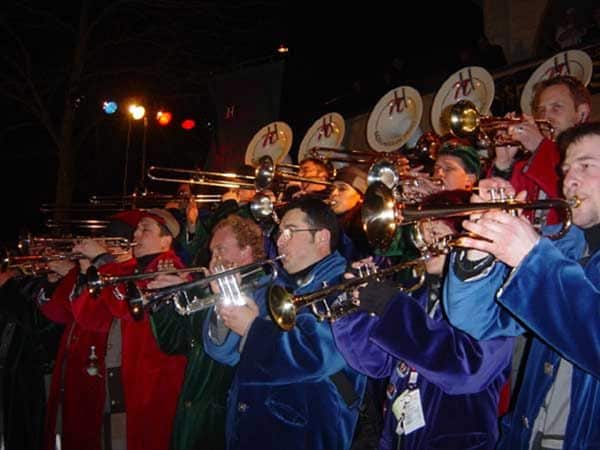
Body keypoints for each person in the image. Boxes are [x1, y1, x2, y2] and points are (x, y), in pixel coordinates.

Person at [443, 122, 600, 448]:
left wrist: (533, 260)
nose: (568, 180)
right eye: (566, 169)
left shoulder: (547, 256)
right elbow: (477, 319)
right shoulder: (562, 248)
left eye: (586, 166)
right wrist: (480, 246)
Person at [331, 190, 512, 449]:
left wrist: (391, 308)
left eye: (436, 233)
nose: (425, 244)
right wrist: (354, 306)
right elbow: (376, 364)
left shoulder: (492, 299)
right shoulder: (420, 294)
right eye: (422, 233)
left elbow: (467, 370)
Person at [203, 197, 366, 450]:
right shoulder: (271, 285)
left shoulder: (347, 287)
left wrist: (252, 330)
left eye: (290, 232)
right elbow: (223, 352)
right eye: (279, 233)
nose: (279, 241)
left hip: (302, 435)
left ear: (321, 237)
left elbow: (320, 356)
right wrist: (227, 294)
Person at [145, 214, 266, 450]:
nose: (213, 261)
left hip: (221, 420)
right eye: (212, 253)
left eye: (221, 250)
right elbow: (173, 343)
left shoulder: (263, 290)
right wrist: (166, 302)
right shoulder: (209, 290)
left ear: (246, 251)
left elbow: (226, 351)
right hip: (193, 412)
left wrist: (200, 293)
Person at [70, 208, 187, 450]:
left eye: (145, 229)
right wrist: (84, 272)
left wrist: (103, 260)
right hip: (124, 376)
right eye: (137, 229)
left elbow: (128, 308)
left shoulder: (169, 268)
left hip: (153, 385)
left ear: (166, 240)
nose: (136, 234)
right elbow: (91, 318)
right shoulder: (130, 271)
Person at [489, 75, 591, 225]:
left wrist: (540, 147)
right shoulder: (527, 164)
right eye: (541, 110)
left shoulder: (594, 153)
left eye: (556, 108)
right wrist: (503, 163)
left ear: (581, 113)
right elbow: (498, 212)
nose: (546, 117)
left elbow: (574, 202)